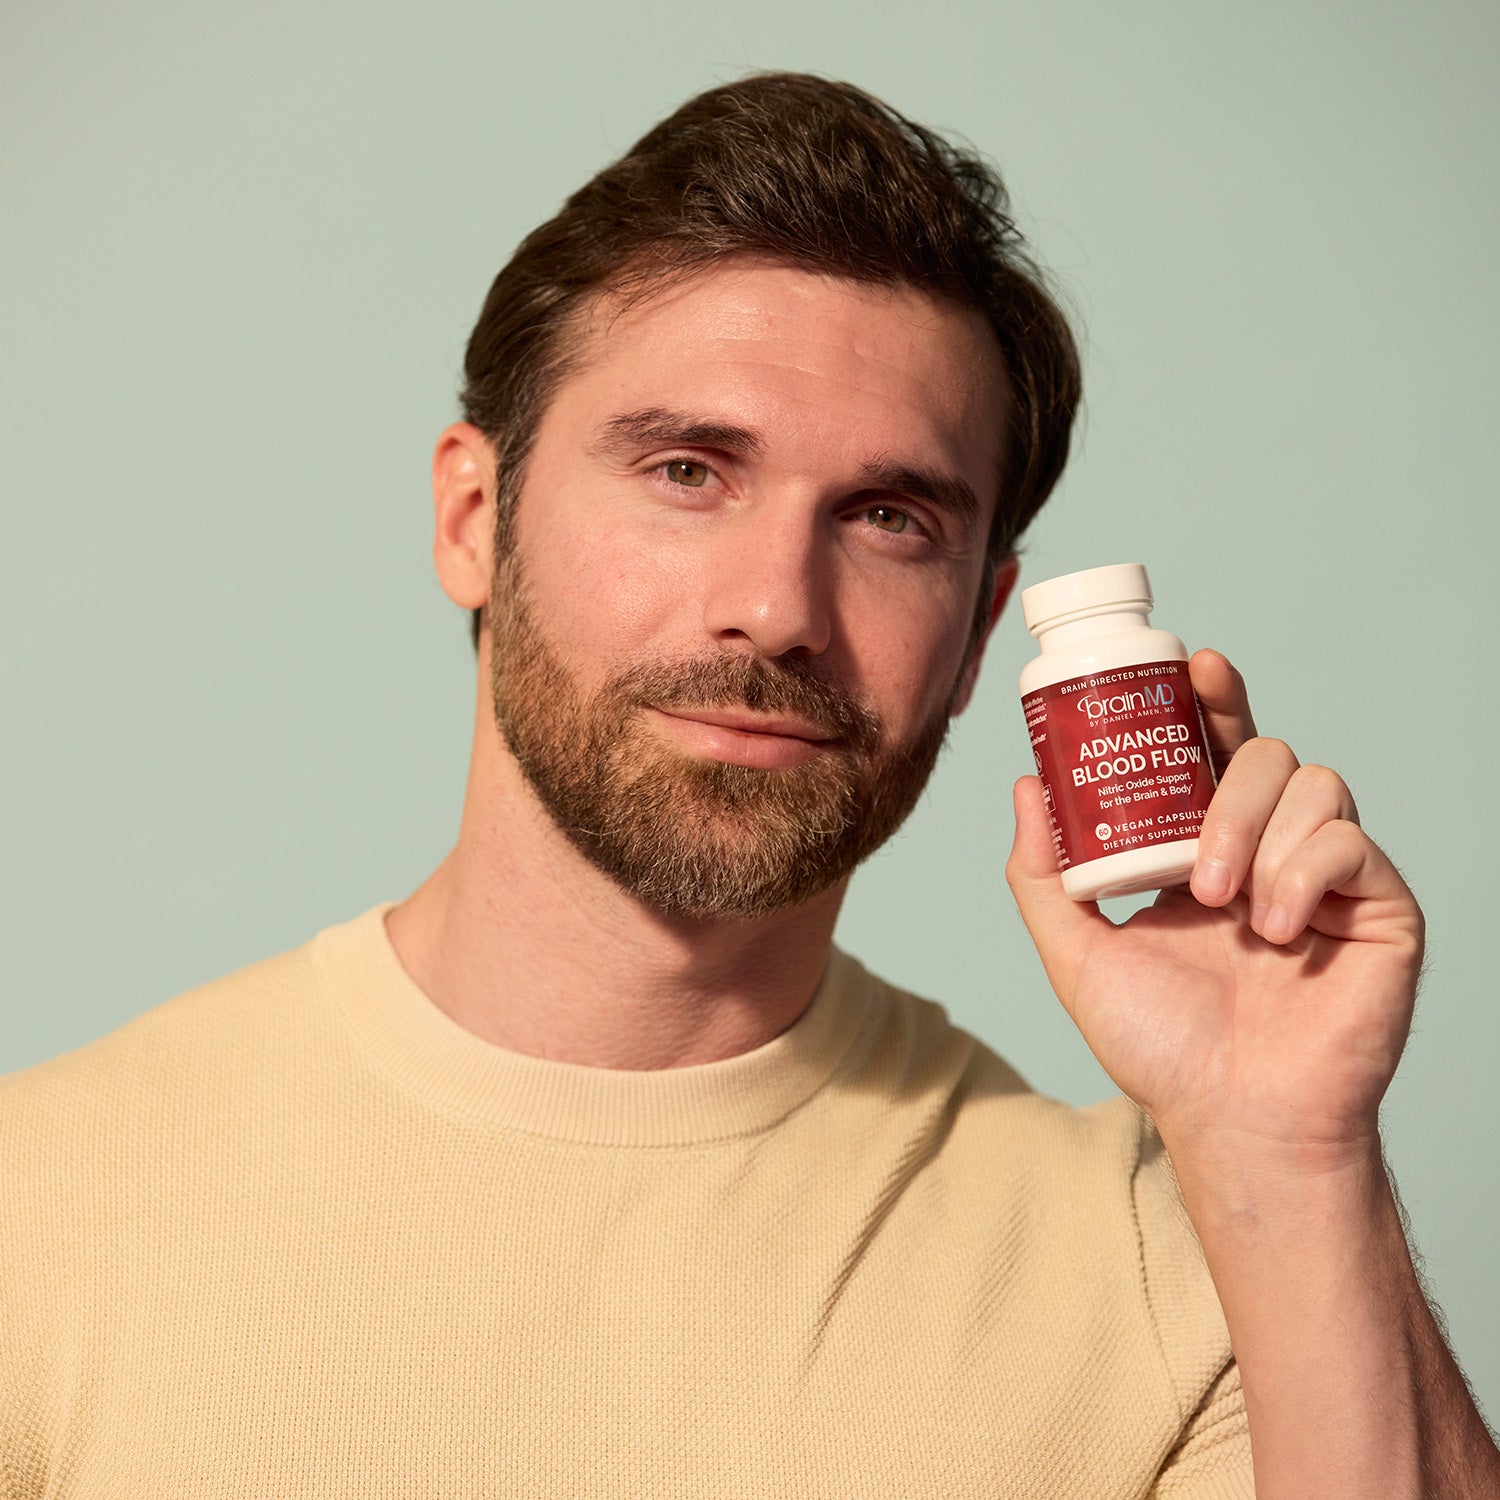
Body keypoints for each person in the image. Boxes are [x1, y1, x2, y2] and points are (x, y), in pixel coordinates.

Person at [2, 72, 1496, 1499]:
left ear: (984, 630)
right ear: (474, 514)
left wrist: (1288, 1153)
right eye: (686, 472)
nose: (778, 606)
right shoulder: (42, 1209)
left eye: (891, 516)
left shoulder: (1192, 1272)